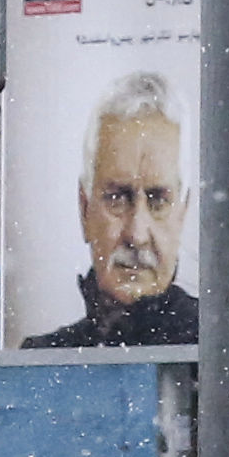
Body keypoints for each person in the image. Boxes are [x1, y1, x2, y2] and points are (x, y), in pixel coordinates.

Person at [22, 74, 200, 350]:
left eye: (158, 201)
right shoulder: (42, 361)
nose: (137, 235)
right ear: (85, 210)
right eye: (117, 198)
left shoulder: (219, 352)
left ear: (182, 214)